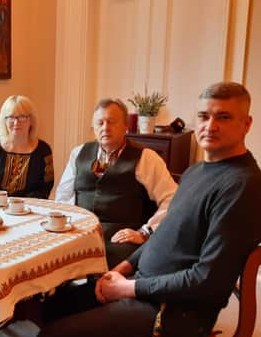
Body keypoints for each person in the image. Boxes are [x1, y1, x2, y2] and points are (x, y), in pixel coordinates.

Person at [37, 82, 261, 337]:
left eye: (224, 117)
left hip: (174, 312)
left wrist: (126, 289)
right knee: (50, 305)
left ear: (247, 124)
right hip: (148, 287)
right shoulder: (197, 172)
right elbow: (162, 238)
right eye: (203, 115)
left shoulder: (243, 188)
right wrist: (121, 270)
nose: (210, 125)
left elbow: (207, 281)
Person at [55, 98, 177, 268]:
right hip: (81, 233)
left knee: (97, 266)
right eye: (100, 123)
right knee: (52, 258)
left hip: (118, 240)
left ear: (126, 125)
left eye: (112, 122)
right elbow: (63, 197)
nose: (105, 128)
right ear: (94, 127)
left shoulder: (146, 157)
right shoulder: (78, 153)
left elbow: (173, 200)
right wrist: (66, 227)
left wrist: (144, 232)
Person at [0, 95, 54, 198]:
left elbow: (45, 187)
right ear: (4, 121)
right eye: (11, 117)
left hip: (29, 210)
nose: (16, 122)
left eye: (22, 117)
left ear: (31, 120)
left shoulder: (43, 151)